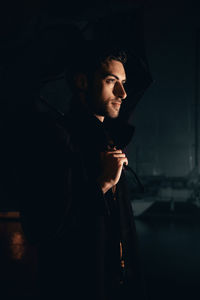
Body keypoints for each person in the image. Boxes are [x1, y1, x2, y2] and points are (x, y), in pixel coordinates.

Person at [19, 44, 146, 300]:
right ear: (82, 82)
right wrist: (103, 183)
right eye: (112, 81)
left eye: (123, 82)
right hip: (75, 286)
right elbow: (40, 226)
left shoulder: (108, 142)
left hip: (113, 285)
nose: (122, 92)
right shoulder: (56, 138)